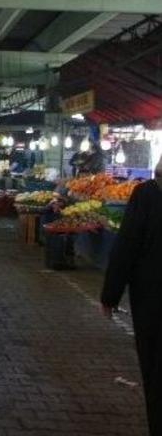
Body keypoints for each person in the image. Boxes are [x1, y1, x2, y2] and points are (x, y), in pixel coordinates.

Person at [100, 156, 162, 436]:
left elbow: (126, 246)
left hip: (153, 300)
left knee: (155, 370)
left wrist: (110, 295)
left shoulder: (147, 195)